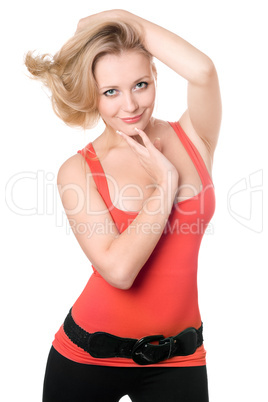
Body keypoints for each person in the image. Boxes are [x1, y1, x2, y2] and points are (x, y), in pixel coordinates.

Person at [25, 9, 221, 402]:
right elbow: (118, 271)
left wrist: (120, 17)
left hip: (179, 358)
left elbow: (203, 72)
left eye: (141, 84)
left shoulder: (193, 136)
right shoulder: (79, 170)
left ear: (155, 77)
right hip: (88, 358)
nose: (130, 105)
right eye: (110, 92)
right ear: (92, 96)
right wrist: (165, 185)